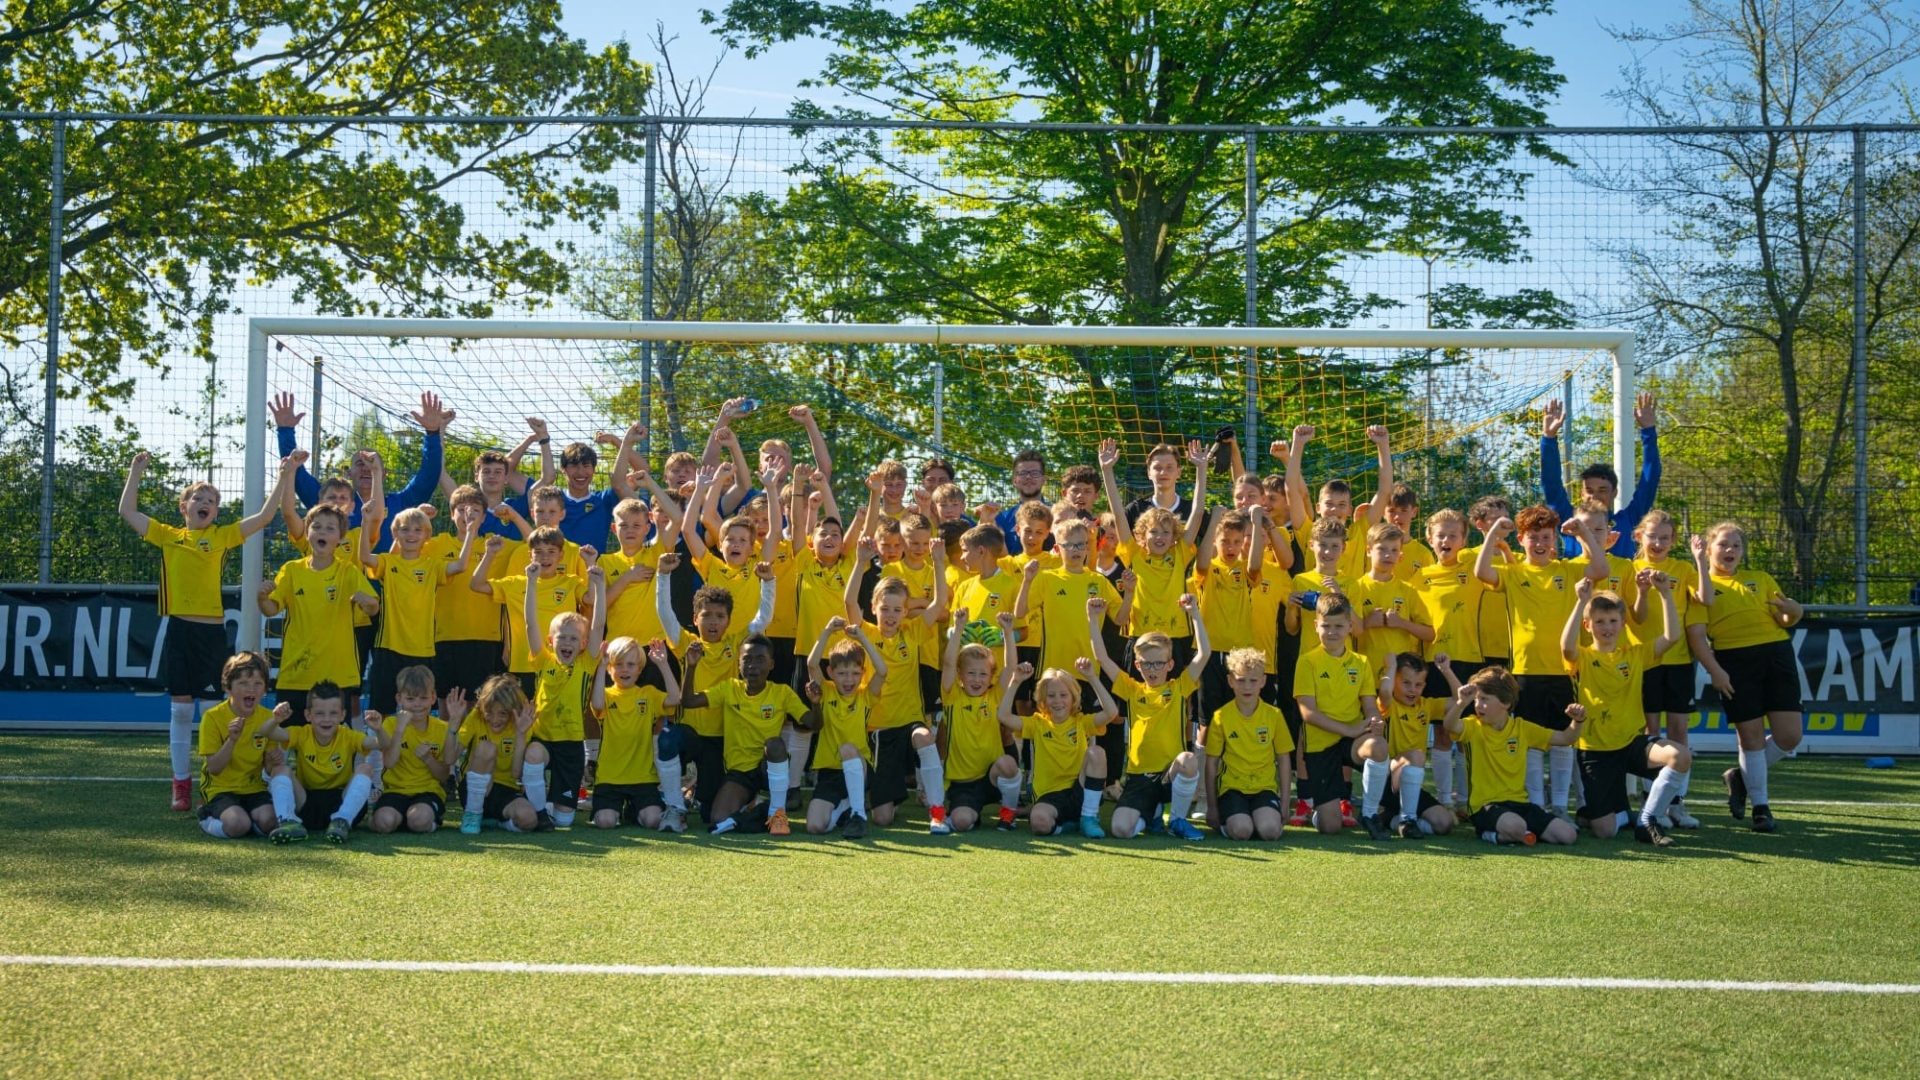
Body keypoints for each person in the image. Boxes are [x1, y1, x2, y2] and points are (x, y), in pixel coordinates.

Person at [120, 449, 300, 811]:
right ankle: (181, 785)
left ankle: (222, 779)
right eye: (198, 498)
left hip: (213, 635)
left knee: (218, 711)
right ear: (183, 508)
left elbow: (265, 516)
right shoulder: (167, 535)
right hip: (180, 631)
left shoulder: (221, 536)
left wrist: (284, 474)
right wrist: (135, 471)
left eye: (212, 501)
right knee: (181, 710)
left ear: (217, 512)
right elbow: (127, 511)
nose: (205, 503)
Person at [1474, 506, 1609, 818]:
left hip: (1563, 671)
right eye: (1533, 537)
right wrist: (1494, 532)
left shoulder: (1566, 569)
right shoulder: (1514, 572)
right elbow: (1483, 572)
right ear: (1521, 539)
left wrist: (1583, 532)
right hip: (1525, 671)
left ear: (1554, 541)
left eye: (1546, 537)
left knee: (1563, 742)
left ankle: (1560, 806)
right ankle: (1534, 804)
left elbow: (1600, 568)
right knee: (1531, 742)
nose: (1540, 543)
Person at [1561, 575, 1691, 845]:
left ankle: (1647, 818)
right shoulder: (1583, 656)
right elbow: (1566, 646)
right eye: (1599, 621)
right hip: (1595, 750)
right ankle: (1623, 816)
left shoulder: (1634, 654)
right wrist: (1580, 601)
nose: (1606, 627)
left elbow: (1672, 637)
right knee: (1604, 831)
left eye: (1612, 621)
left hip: (1631, 743)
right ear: (1588, 625)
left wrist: (1666, 594)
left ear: (1623, 623)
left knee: (1680, 756)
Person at [654, 552, 777, 825]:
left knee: (712, 814)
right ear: (695, 619)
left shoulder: (736, 643)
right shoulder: (685, 641)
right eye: (706, 615)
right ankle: (675, 806)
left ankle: (726, 795)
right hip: (692, 734)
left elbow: (763, 619)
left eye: (720, 616)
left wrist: (768, 583)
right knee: (666, 739)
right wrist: (662, 576)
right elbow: (665, 613)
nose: (713, 621)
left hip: (722, 740)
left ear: (728, 621)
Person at [1698, 522, 1805, 833]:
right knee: (1752, 738)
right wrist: (1715, 670)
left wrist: (1793, 610)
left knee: (1790, 737)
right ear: (1708, 549)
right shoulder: (1702, 585)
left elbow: (1785, 618)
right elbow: (1697, 635)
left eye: (1736, 546)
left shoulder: (1760, 579)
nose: (1730, 550)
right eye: (1723, 545)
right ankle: (1761, 807)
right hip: (1735, 660)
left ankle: (1740, 777)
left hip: (1777, 654)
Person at [842, 549, 951, 832]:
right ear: (874, 607)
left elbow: (939, 603)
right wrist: (860, 562)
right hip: (879, 729)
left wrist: (938, 563)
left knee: (925, 736)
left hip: (910, 721)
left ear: (905, 612)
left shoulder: (912, 632)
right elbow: (849, 601)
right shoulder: (866, 632)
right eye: (885, 608)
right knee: (883, 818)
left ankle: (938, 812)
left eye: (897, 610)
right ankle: (890, 797)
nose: (891, 615)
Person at [358, 464, 477, 715]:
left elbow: (460, 565)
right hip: (388, 646)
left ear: (426, 536)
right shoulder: (388, 562)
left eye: (417, 530)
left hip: (422, 649)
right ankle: (378, 755)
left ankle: (414, 752)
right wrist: (367, 520)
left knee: (419, 709)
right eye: (404, 529)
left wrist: (471, 533)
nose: (411, 534)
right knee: (382, 707)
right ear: (395, 534)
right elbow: (365, 557)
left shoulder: (432, 565)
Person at [1089, 596, 1212, 840]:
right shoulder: (1131, 689)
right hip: (1138, 778)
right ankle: (1152, 814)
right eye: (1147, 664)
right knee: (1121, 830)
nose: (1152, 670)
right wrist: (1092, 618)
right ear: (1137, 665)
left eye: (1158, 664)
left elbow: (1205, 653)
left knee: (1188, 759)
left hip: (1170, 774)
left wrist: (1194, 613)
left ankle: (1177, 819)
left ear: (1170, 664)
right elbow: (1102, 658)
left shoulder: (1179, 687)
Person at [271, 389, 452, 552]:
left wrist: (432, 434)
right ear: (349, 473)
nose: (366, 467)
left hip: (387, 587)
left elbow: (428, 474)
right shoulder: (331, 504)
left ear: (383, 472)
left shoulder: (401, 503)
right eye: (359, 463)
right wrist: (286, 432)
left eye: (371, 462)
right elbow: (296, 473)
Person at [1630, 510, 1715, 829]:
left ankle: (1676, 803)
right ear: (1639, 536)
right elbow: (1636, 619)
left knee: (1678, 732)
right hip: (1645, 662)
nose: (1658, 543)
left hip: (1678, 662)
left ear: (1673, 541)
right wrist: (1640, 591)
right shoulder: (1631, 569)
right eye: (1653, 536)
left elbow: (1705, 598)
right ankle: (1652, 803)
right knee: (1650, 732)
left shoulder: (1682, 569)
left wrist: (1700, 560)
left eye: (1665, 538)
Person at [680, 635, 815, 836]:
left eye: (760, 659)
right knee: (717, 819)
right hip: (740, 772)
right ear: (739, 662)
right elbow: (688, 702)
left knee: (775, 745)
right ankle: (759, 809)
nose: (753, 665)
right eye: (747, 659)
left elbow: (814, 724)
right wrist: (691, 667)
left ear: (771, 664)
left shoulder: (782, 692)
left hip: (768, 767)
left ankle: (778, 814)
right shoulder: (729, 688)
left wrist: (816, 703)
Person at [258, 503, 380, 726]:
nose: (323, 531)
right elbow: (271, 609)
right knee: (285, 741)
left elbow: (373, 607)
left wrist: (368, 602)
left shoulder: (347, 571)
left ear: (340, 539)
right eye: (317, 526)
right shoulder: (292, 570)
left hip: (337, 675)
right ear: (308, 531)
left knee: (335, 746)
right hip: (296, 675)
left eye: (330, 528)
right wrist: (262, 599)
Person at [1442, 666, 1582, 846]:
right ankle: (1488, 833)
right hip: (1484, 807)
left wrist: (1577, 721)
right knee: (1517, 826)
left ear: (1506, 703)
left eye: (1484, 699)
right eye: (1476, 699)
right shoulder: (1472, 727)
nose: (1477, 705)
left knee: (1567, 835)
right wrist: (1461, 703)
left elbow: (1565, 738)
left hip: (1519, 804)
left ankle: (1518, 834)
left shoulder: (1521, 728)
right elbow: (1449, 725)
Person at [1294, 594, 1392, 840]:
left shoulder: (1360, 662)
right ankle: (1319, 811)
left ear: (1350, 627)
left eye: (1339, 626)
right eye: (1326, 626)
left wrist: (1374, 719)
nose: (1332, 632)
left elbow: (1369, 704)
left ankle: (1369, 814)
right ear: (1316, 626)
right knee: (1331, 827)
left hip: (1351, 740)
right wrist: (1348, 730)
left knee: (1378, 746)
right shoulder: (1307, 662)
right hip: (1320, 746)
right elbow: (1308, 713)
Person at [519, 556, 607, 830]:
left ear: (582, 644)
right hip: (543, 737)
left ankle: (550, 808)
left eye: (573, 639)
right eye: (561, 637)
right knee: (533, 755)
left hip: (571, 742)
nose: (566, 642)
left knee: (566, 819)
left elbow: (598, 625)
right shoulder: (543, 659)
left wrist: (600, 587)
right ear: (550, 641)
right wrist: (532, 582)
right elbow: (530, 624)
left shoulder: (586, 662)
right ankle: (537, 812)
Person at [1013, 519, 1131, 715]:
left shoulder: (1098, 581)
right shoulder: (1047, 579)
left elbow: (1120, 619)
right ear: (1058, 549)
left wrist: (1129, 593)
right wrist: (1027, 580)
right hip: (1053, 671)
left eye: (1080, 544)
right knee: (1049, 728)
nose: (1075, 550)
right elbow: (1019, 612)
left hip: (1087, 671)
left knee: (1083, 732)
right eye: (1068, 545)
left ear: (1087, 547)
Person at [1413, 508, 1485, 812]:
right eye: (1440, 535)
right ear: (1430, 539)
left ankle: (1468, 801)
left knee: (1467, 732)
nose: (1446, 540)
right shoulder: (1421, 576)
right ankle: (1443, 799)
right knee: (1442, 731)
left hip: (1469, 658)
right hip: (1434, 660)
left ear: (1463, 540)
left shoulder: (1472, 565)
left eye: (1453, 535)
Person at [998, 659, 1118, 837]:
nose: (1057, 701)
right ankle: (1067, 826)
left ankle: (1089, 817)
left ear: (1073, 697)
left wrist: (1092, 677)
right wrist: (1016, 681)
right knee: (1038, 822)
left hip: (1080, 790)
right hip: (1049, 795)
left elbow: (1111, 712)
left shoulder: (1081, 722)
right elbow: (1003, 716)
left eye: (1064, 695)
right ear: (1043, 699)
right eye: (1051, 695)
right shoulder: (1037, 724)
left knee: (1097, 752)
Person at [257, 680, 386, 843]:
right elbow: (266, 732)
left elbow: (381, 744)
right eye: (319, 713)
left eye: (333, 713)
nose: (327, 719)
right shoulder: (302, 733)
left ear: (342, 715)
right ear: (308, 715)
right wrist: (276, 719)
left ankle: (342, 821)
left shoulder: (348, 735)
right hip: (306, 804)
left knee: (365, 768)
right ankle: (288, 821)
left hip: (342, 803)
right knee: (280, 770)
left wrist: (378, 729)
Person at [468, 527, 588, 701]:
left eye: (551, 552)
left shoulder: (570, 582)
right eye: (538, 552)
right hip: (522, 664)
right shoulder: (514, 583)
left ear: (561, 556)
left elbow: (591, 599)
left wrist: (590, 564)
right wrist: (490, 554)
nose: (545, 557)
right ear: (529, 555)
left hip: (560, 664)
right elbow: (476, 584)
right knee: (522, 719)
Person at [1539, 391, 1661, 557]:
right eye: (1589, 490)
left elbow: (1650, 479)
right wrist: (1549, 437)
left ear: (1614, 492)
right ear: (1582, 493)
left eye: (1602, 490)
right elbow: (1550, 481)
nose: (1595, 496)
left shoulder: (1629, 520)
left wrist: (1648, 431)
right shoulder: (1569, 519)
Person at [940, 610, 1026, 832]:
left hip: (991, 778)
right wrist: (958, 629)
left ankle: (1008, 814)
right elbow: (948, 664)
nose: (977, 679)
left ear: (990, 677)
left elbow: (1009, 667)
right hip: (962, 785)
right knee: (961, 822)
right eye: (971, 673)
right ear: (960, 675)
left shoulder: (994, 696)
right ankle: (970, 813)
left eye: (982, 674)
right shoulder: (952, 697)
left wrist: (1007, 632)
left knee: (1008, 764)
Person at [195, 652, 294, 840]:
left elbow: (268, 766)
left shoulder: (267, 718)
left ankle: (248, 820)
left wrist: (274, 761)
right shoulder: (213, 717)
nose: (251, 689)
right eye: (243, 683)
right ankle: (205, 816)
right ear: (228, 687)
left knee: (270, 821)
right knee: (237, 825)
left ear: (265, 688)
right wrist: (232, 740)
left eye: (258, 684)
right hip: (220, 789)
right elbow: (214, 768)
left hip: (253, 788)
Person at [802, 618, 885, 837]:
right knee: (815, 827)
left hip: (860, 767)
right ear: (830, 672)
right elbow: (811, 664)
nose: (849, 680)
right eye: (842, 673)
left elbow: (883, 671)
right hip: (830, 773)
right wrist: (827, 630)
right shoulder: (827, 691)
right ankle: (845, 808)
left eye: (856, 673)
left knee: (848, 748)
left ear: (863, 672)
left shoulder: (865, 695)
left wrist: (863, 639)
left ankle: (858, 814)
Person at [433, 485, 511, 716]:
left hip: (485, 639)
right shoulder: (436, 544)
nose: (468, 515)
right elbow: (400, 553)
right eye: (461, 509)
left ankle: (475, 753)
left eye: (475, 510)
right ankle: (450, 753)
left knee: (479, 710)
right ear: (451, 513)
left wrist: (514, 515)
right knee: (448, 709)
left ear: (484, 516)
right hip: (446, 636)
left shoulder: (497, 544)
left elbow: (535, 543)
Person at [589, 637, 682, 830]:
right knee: (605, 823)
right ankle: (614, 809)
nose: (625, 669)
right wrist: (599, 667)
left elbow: (674, 699)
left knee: (653, 820)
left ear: (639, 669)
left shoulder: (647, 694)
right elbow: (597, 705)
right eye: (618, 664)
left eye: (631, 664)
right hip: (609, 777)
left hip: (643, 777)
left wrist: (663, 664)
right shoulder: (605, 695)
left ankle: (632, 810)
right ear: (610, 669)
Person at [1205, 647, 1295, 841]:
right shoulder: (1221, 717)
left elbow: (1284, 758)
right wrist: (1212, 807)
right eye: (1240, 680)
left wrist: (1285, 802)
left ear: (1263, 681)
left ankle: (1257, 818)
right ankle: (1230, 820)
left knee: (1270, 832)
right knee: (1241, 831)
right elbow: (1211, 763)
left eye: (1253, 681)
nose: (1247, 687)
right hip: (1232, 788)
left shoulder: (1274, 715)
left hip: (1264, 788)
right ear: (1230, 681)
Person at [1284, 424, 1394, 581]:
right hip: (1316, 603)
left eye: (1341, 505)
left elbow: (1385, 493)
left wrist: (1383, 445)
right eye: (1329, 504)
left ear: (1350, 510)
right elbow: (1291, 491)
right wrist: (1298, 444)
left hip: (1351, 603)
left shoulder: (1359, 532)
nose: (1335, 509)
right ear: (1318, 507)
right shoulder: (1308, 530)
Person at [369, 665, 461, 835]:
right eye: (410, 699)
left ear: (433, 697)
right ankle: (394, 817)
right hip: (395, 791)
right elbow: (389, 762)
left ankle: (420, 821)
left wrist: (428, 760)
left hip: (428, 792)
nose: (417, 704)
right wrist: (400, 729)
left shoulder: (441, 728)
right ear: (399, 699)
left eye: (423, 698)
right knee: (384, 823)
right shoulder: (390, 724)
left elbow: (443, 775)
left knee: (418, 820)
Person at [1376, 654, 1456, 839]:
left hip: (1410, 786)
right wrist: (1391, 666)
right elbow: (1385, 693)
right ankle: (1408, 819)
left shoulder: (1426, 705)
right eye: (1406, 683)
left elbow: (1460, 699)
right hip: (1386, 782)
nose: (1412, 690)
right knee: (1417, 755)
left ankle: (1389, 819)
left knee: (1444, 824)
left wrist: (1446, 671)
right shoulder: (1389, 705)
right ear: (1394, 680)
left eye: (1418, 685)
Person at [454, 674, 541, 834]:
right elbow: (451, 757)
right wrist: (454, 722)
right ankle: (472, 813)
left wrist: (521, 735)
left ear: (512, 710)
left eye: (502, 713)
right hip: (473, 788)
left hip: (505, 788)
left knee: (529, 819)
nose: (494, 719)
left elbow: (516, 773)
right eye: (489, 712)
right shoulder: (475, 716)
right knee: (487, 748)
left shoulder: (521, 723)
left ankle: (498, 823)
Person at [995, 450, 1049, 555]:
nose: (1028, 477)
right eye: (1023, 473)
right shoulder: (1001, 519)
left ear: (1043, 480)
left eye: (1035, 473)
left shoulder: (1057, 515)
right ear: (1015, 480)